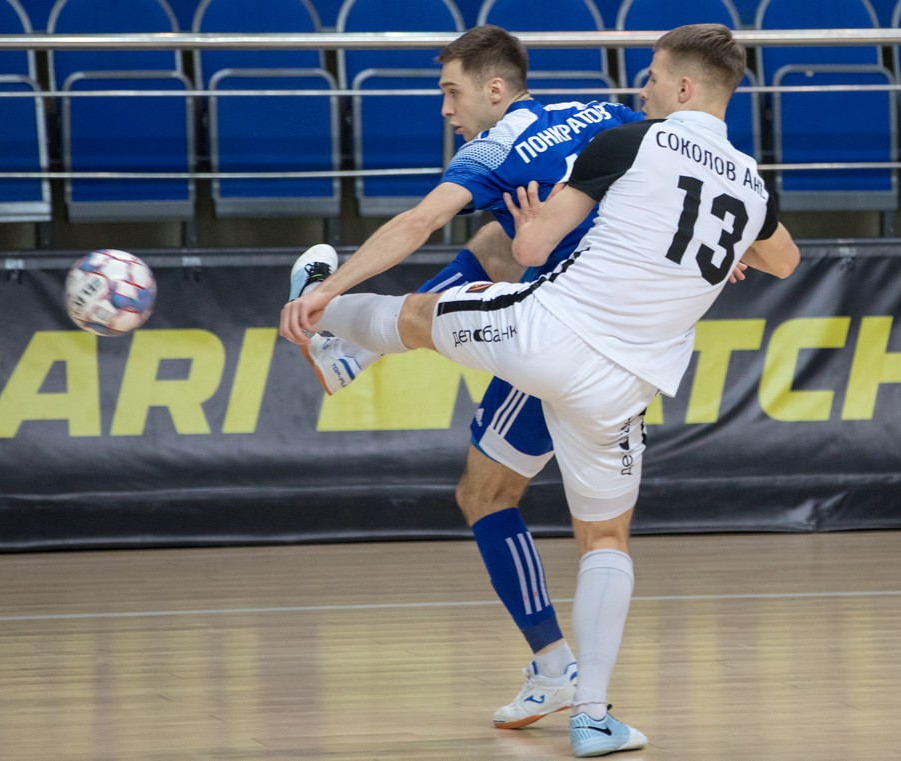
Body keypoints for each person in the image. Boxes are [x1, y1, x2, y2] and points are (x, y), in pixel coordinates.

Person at [282, 23, 800, 757]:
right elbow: (784, 260)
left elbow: (522, 245)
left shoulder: (624, 138)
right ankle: (592, 715)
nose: (641, 89)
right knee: (605, 538)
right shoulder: (744, 180)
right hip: (629, 382)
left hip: (553, 330)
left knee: (429, 318)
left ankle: (323, 316)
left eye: (653, 77)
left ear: (683, 87)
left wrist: (535, 227)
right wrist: (721, 243)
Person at [288, 23, 646, 730]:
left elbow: (418, 221)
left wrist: (329, 289)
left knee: (485, 496)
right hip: (631, 337)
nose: (446, 109)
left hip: (561, 335)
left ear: (495, 89)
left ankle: (558, 672)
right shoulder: (599, 112)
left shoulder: (495, 145)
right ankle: (354, 351)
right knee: (497, 237)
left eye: (452, 92)